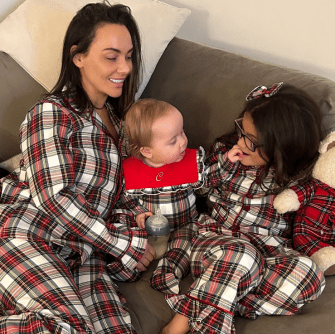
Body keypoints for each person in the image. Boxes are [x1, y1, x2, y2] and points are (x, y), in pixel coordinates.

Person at [0, 3, 155, 334]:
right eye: (111, 56)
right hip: (26, 232)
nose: (125, 67)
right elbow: (54, 197)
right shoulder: (51, 113)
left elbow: (120, 194)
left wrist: (139, 218)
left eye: (129, 56)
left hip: (83, 254)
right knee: (64, 327)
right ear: (78, 56)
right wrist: (121, 245)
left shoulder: (121, 124)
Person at [162, 83, 326, 334]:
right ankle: (179, 325)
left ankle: (219, 298)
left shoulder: (300, 177)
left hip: (266, 251)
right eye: (242, 130)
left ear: (281, 149)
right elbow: (200, 188)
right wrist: (224, 165)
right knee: (242, 254)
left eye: (251, 141)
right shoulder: (227, 154)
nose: (241, 140)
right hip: (213, 241)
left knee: (309, 275)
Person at [113, 98, 205, 294]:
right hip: (148, 230)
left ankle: (167, 273)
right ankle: (125, 265)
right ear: (147, 151)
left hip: (184, 225)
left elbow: (208, 186)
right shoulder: (130, 170)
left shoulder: (190, 161)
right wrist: (138, 213)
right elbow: (126, 198)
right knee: (124, 226)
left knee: (184, 246)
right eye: (173, 140)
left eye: (182, 132)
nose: (183, 142)